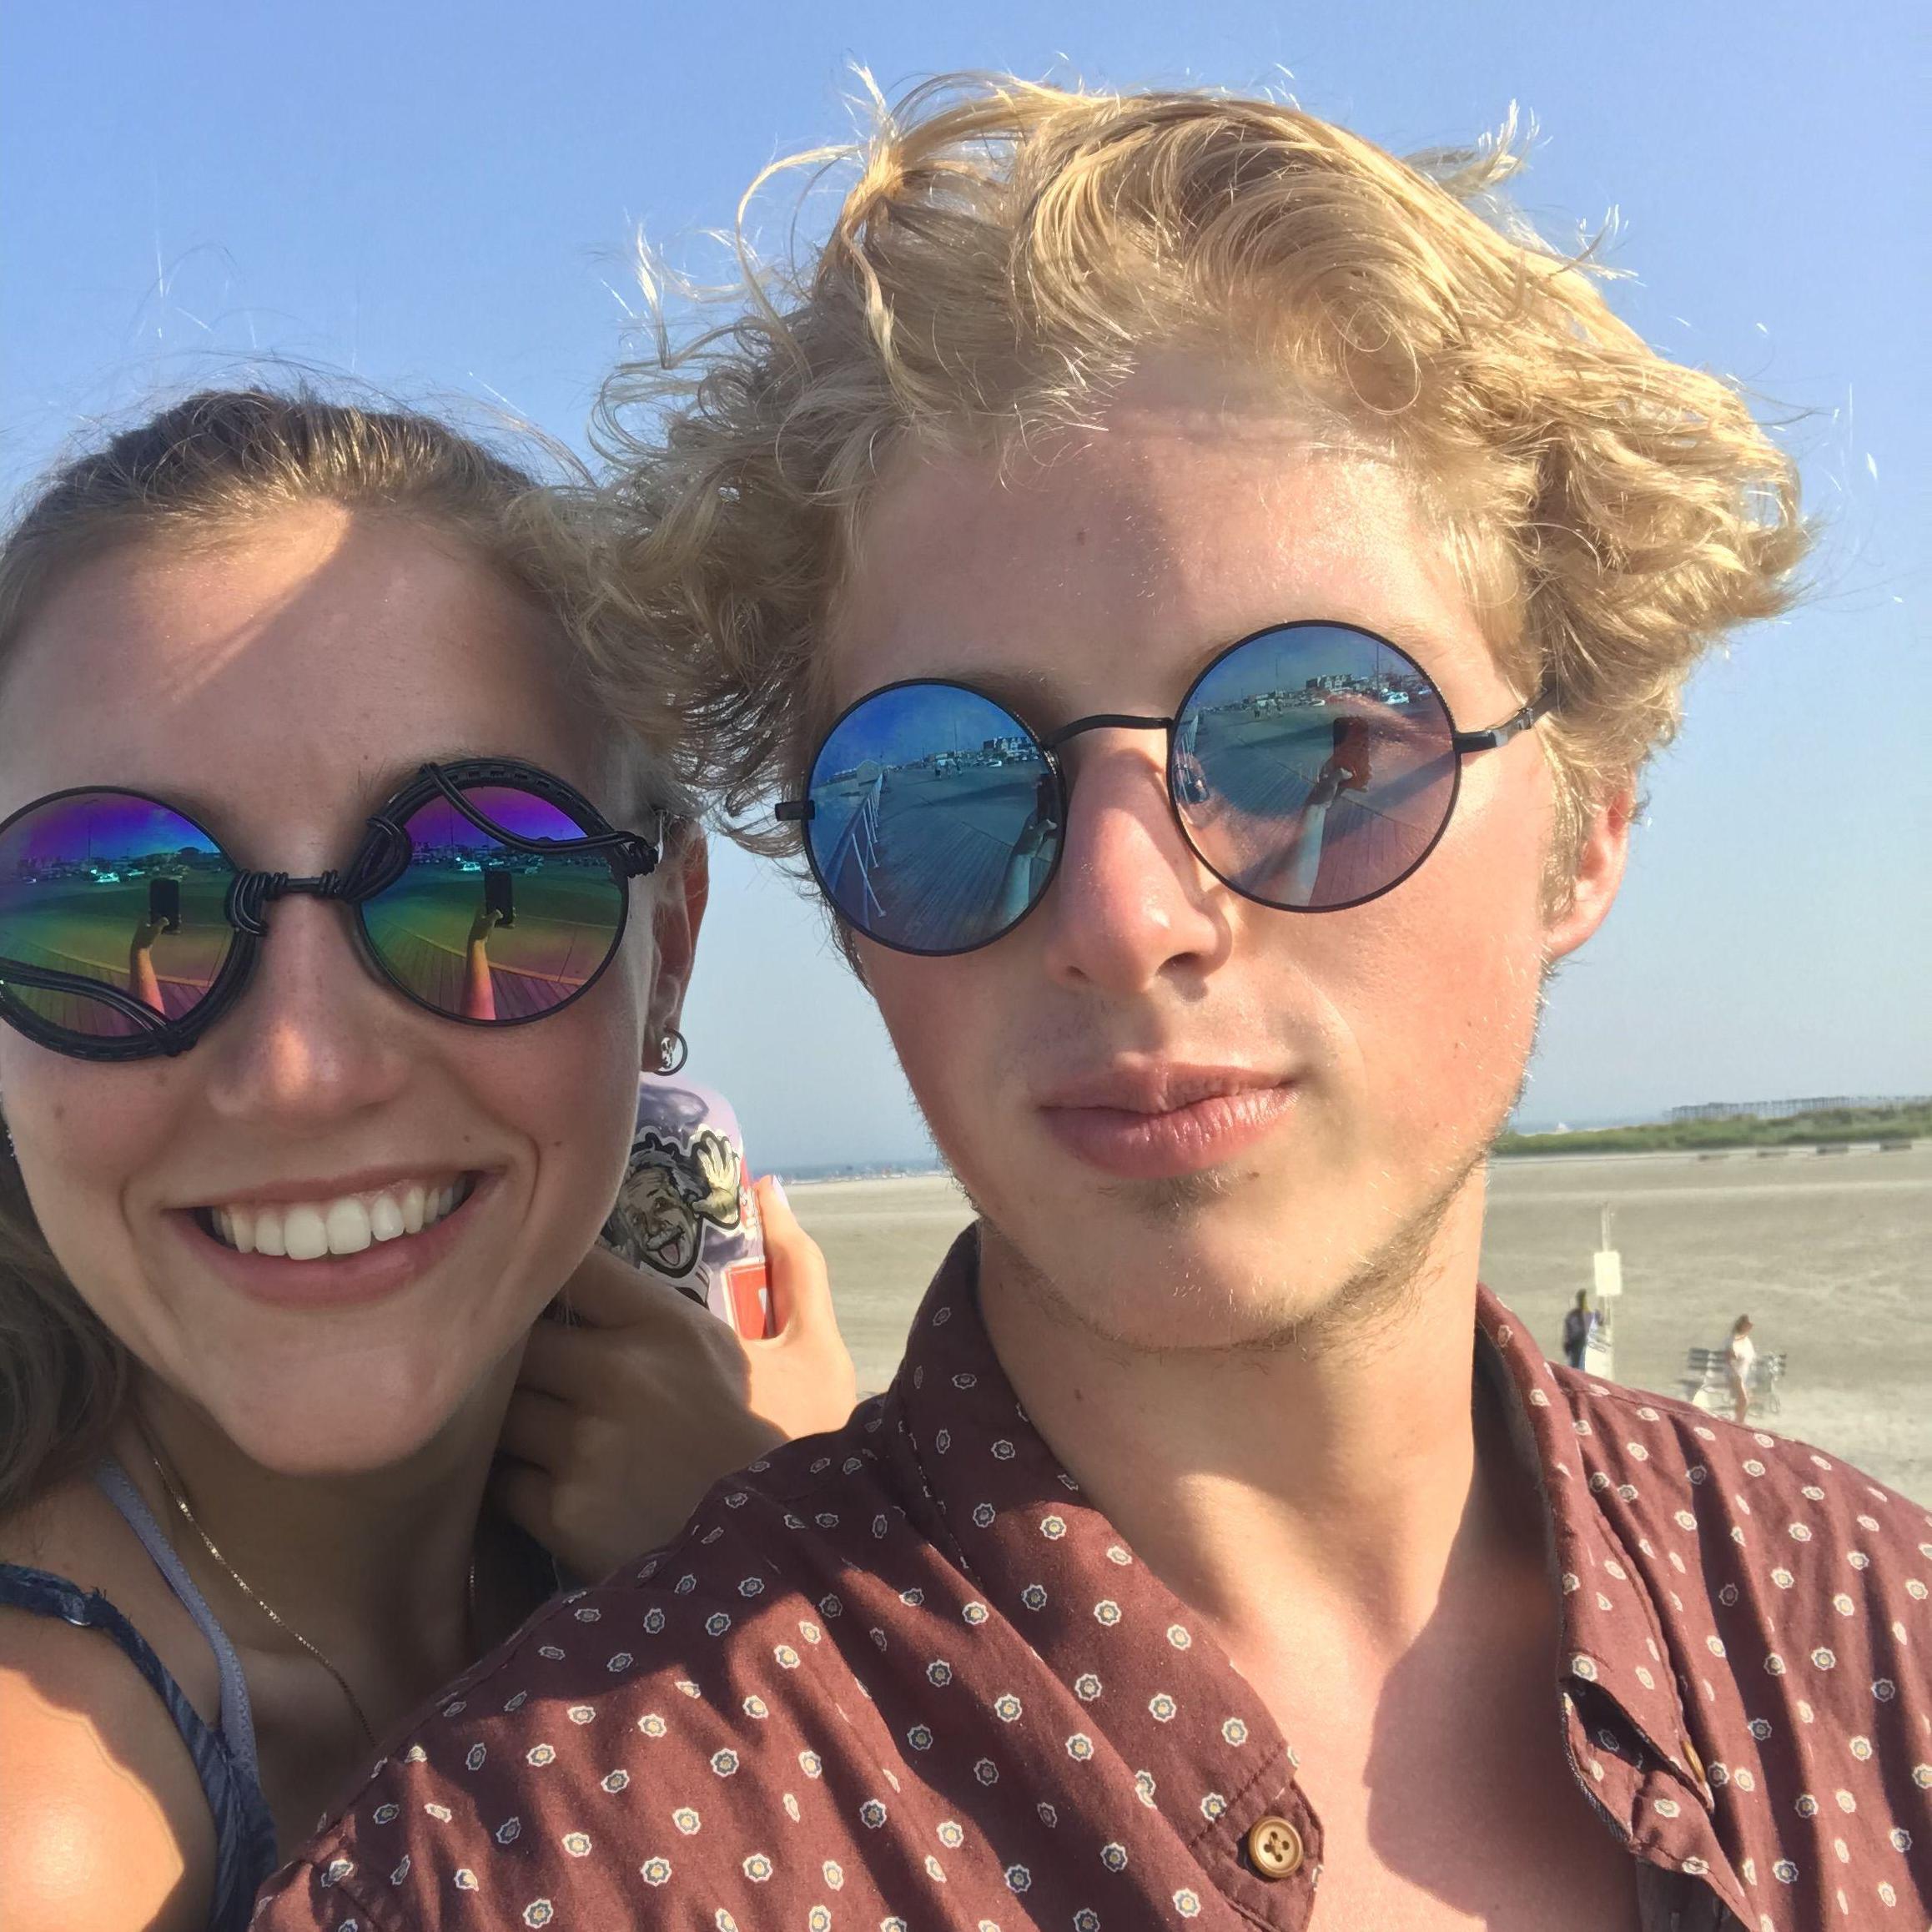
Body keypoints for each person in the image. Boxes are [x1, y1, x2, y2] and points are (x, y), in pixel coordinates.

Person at [261, 79, 1930, 1931]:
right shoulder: (516, 1866)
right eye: (947, 790)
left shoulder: (1879, 1638)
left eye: (1312, 746)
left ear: (1589, 818)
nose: (1123, 918)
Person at [0, 390, 857, 1932]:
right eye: (115, 906)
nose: (301, 1070)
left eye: (481, 885)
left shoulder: (693, 1482)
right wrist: (781, 1581)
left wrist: (755, 1522)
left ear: (667, 944)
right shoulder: (47, 1824)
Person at [1726, 1312, 1757, 1424]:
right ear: (1742, 1325)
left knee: (1748, 1398)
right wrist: (1736, 1374)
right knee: (1744, 1399)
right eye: (1748, 1325)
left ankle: (1739, 1420)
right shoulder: (1734, 1339)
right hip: (1734, 1374)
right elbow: (1730, 1359)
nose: (1750, 1327)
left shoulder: (1746, 1340)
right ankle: (1739, 1422)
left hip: (1744, 1374)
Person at [1562, 1289, 1594, 1370]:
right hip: (1578, 1346)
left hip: (1576, 1347)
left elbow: (1568, 1335)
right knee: (1578, 1367)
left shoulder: (1573, 1315)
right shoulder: (1576, 1315)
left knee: (1576, 1368)